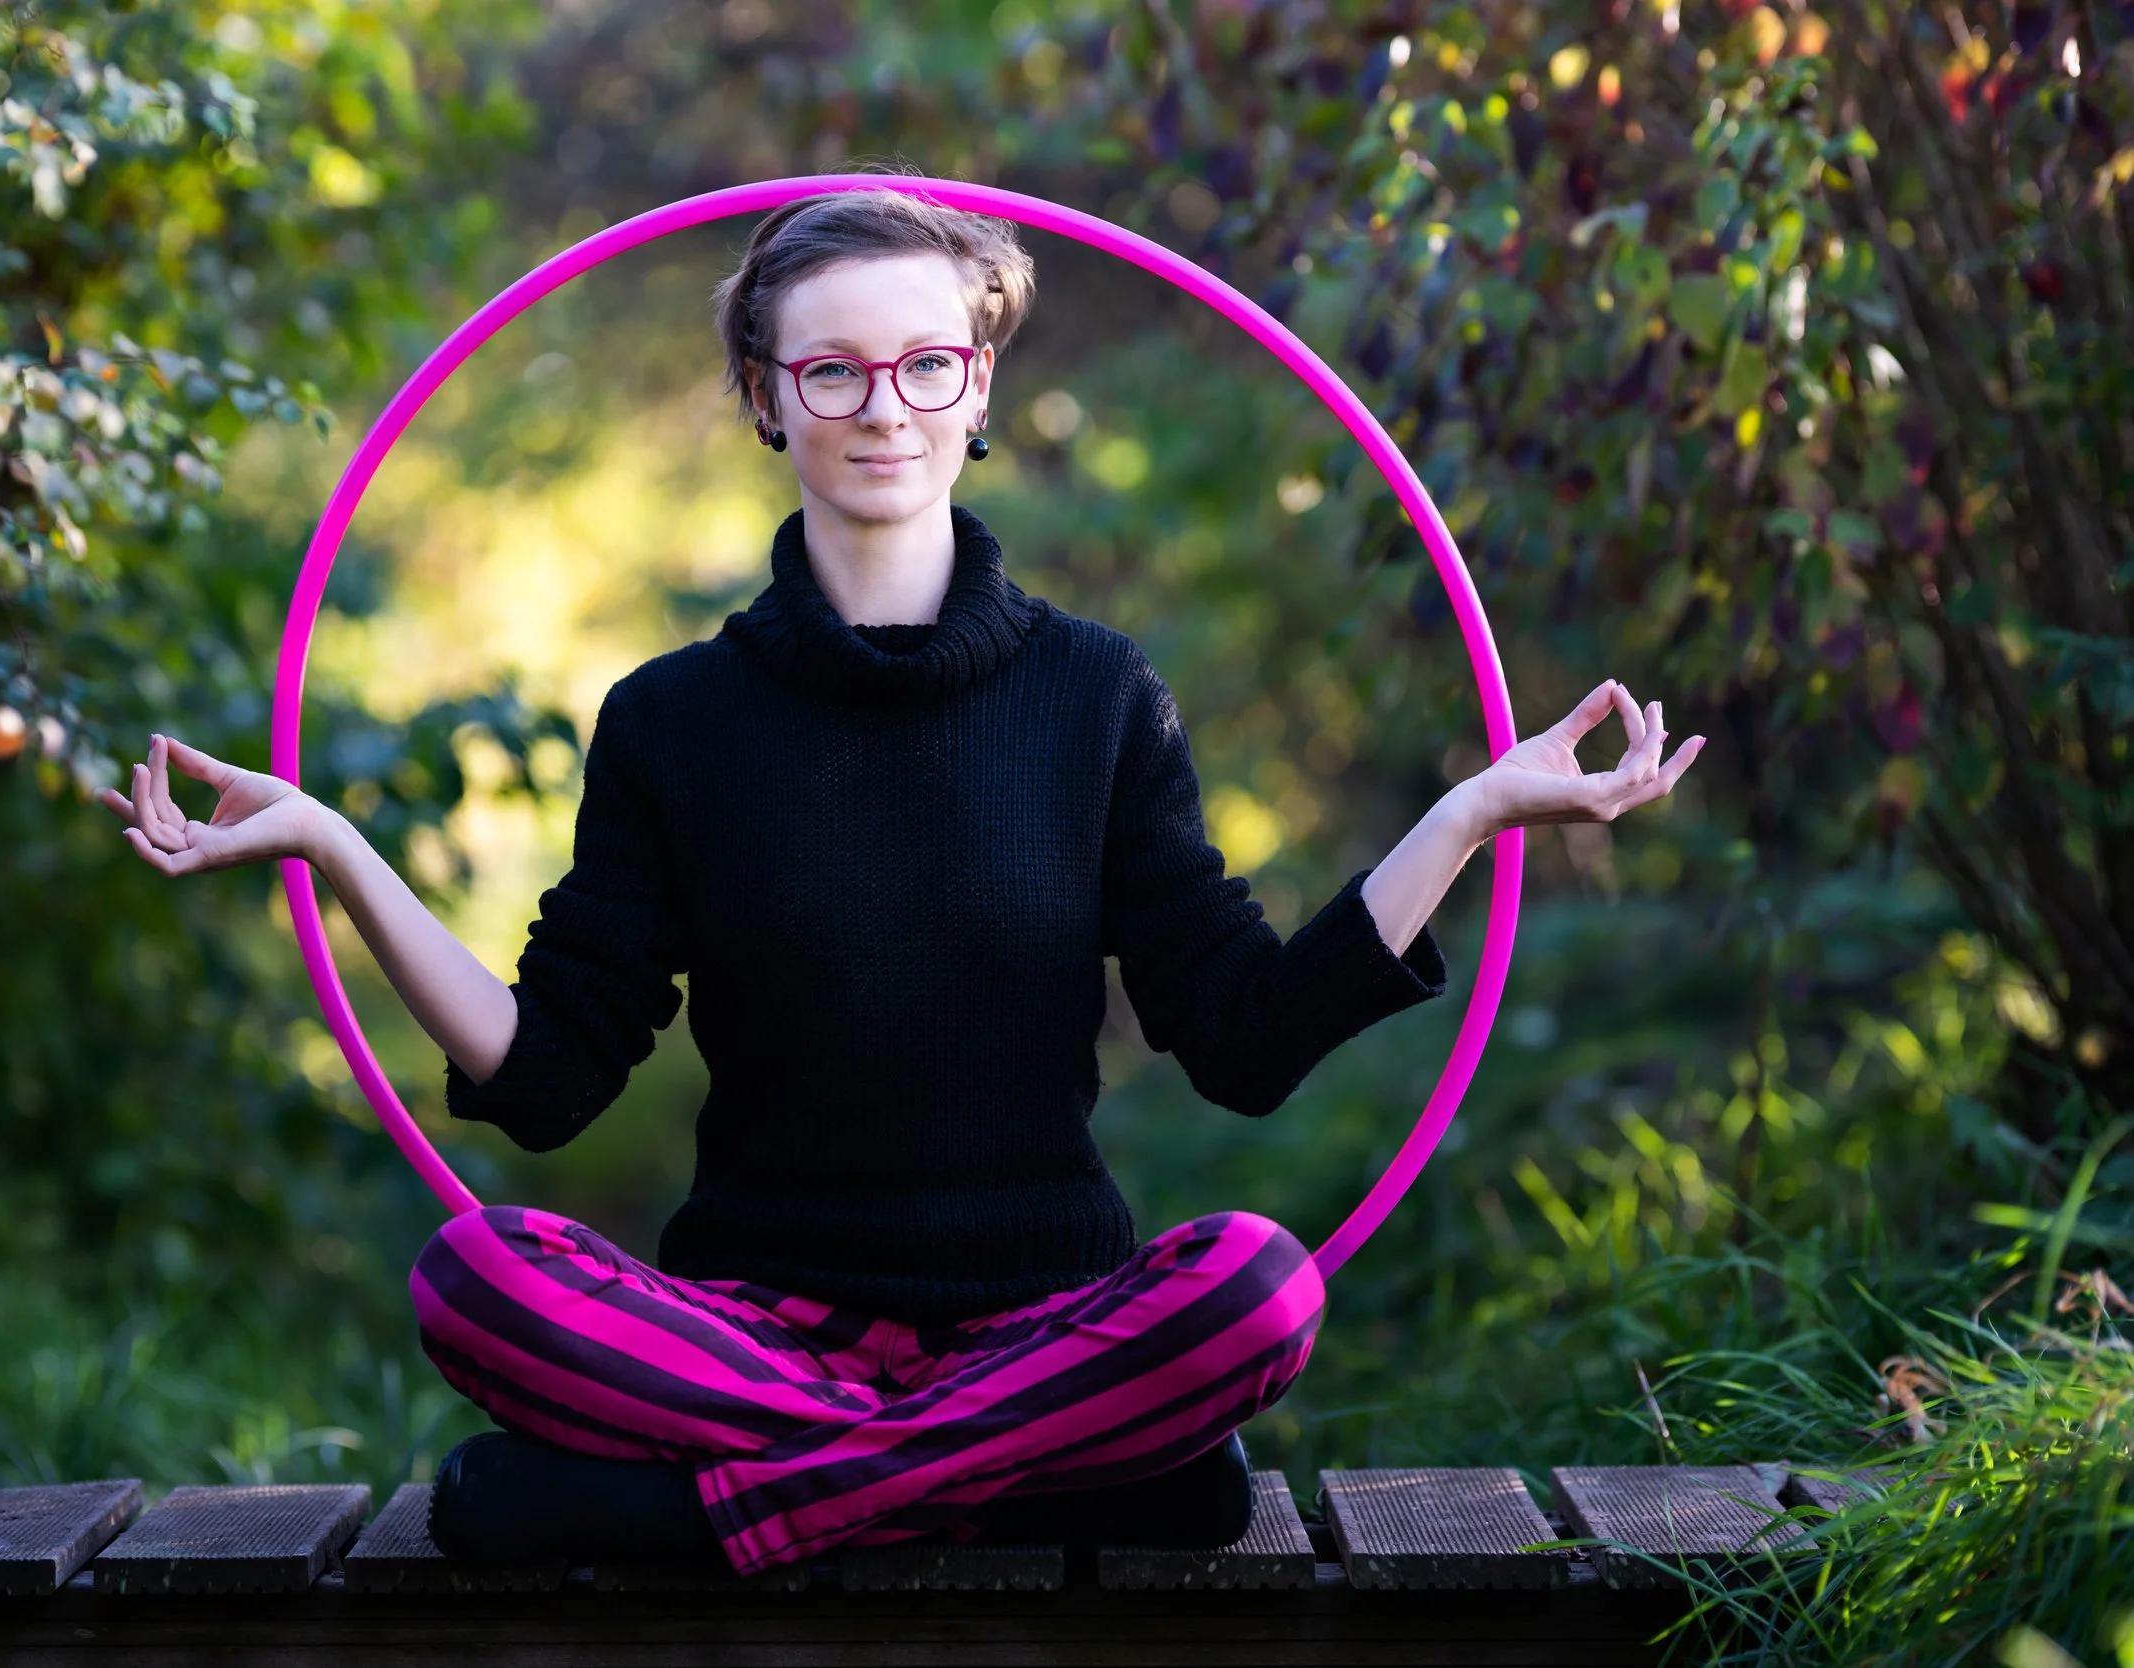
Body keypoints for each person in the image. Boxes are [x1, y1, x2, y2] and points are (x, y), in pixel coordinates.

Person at [103, 190, 1703, 1575]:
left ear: (980, 379)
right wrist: (336, 844)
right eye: (832, 369)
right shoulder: (672, 722)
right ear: (764, 394)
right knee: (478, 1276)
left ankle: (730, 1514)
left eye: (926, 362)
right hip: (753, 1338)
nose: (885, 407)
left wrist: (1480, 810)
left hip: (1045, 1323)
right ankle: (1006, 1477)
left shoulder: (1098, 697)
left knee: (1257, 1293)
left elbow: (1244, 1039)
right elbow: (548, 1084)